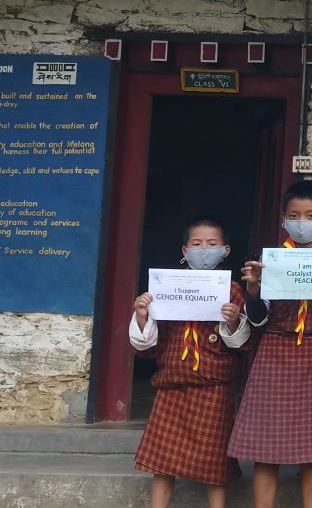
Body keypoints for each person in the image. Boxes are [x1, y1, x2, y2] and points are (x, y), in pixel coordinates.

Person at [229, 180, 312, 508]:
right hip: (275, 351)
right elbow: (258, 319)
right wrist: (253, 290)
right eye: (294, 216)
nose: (302, 222)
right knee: (265, 448)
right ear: (283, 220)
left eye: (310, 215)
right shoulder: (270, 260)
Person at [130, 217, 250, 508]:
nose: (204, 250)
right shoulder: (166, 287)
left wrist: (233, 321)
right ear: (185, 251)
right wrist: (143, 315)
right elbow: (147, 347)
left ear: (226, 250)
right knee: (162, 461)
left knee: (215, 463)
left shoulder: (232, 290)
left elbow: (243, 344)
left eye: (212, 244)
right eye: (197, 244)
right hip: (172, 383)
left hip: (214, 386)